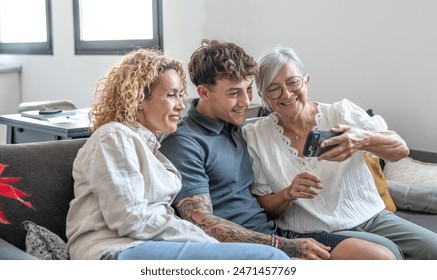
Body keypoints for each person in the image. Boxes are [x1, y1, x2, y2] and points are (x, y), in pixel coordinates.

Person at [159, 39, 396, 260]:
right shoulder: (184, 141)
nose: (245, 101)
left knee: (382, 256)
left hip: (277, 235)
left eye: (248, 89)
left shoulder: (235, 128)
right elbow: (203, 223)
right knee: (379, 259)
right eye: (233, 93)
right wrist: (284, 246)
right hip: (248, 249)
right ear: (203, 92)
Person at [65, 48, 290, 260]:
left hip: (149, 244)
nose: (181, 105)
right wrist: (203, 239)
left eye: (181, 95)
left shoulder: (152, 148)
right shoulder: (114, 137)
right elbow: (130, 218)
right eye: (171, 95)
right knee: (273, 258)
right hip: (114, 249)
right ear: (138, 99)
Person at [242, 45, 437, 260]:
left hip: (372, 217)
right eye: (273, 88)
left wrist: (361, 139)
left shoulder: (340, 112)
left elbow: (400, 150)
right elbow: (265, 206)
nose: (286, 93)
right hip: (315, 230)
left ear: (306, 80)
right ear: (262, 95)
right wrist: (288, 194)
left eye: (292, 82)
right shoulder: (256, 136)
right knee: (388, 256)